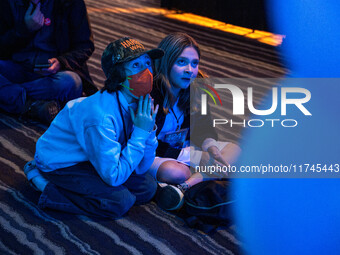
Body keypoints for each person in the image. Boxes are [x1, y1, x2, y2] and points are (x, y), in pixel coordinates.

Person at [23, 37, 164, 218]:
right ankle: (43, 184)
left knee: (148, 187)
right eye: (136, 66)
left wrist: (149, 131)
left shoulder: (139, 103)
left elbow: (141, 168)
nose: (147, 72)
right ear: (118, 75)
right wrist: (140, 133)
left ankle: (88, 188)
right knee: (120, 202)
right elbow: (113, 176)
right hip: (61, 162)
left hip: (92, 156)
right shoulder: (101, 116)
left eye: (147, 63)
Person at [150, 33, 241, 210]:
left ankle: (185, 186)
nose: (189, 70)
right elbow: (147, 141)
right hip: (153, 152)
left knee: (234, 150)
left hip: (183, 148)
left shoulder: (196, 88)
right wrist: (195, 156)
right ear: (166, 62)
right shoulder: (151, 93)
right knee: (176, 171)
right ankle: (196, 177)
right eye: (181, 62)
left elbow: (204, 126)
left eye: (194, 63)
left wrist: (211, 149)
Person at [0, 0, 97, 125]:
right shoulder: (7, 3)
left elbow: (85, 46)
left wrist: (61, 62)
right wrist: (24, 29)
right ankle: (33, 106)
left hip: (54, 75)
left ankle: (14, 98)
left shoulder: (70, 3)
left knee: (71, 82)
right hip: (17, 68)